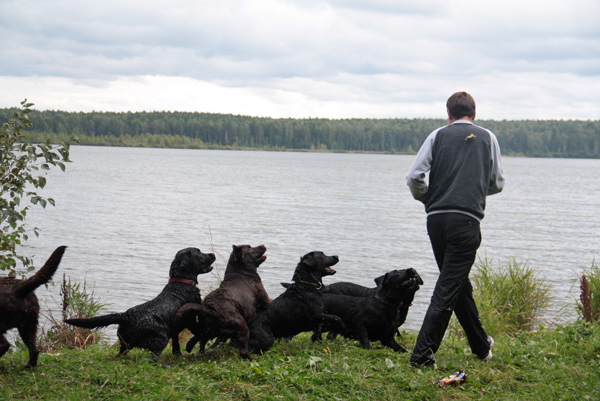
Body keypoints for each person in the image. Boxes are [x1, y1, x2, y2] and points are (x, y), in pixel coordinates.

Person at [406, 91, 505, 367]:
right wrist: (472, 190)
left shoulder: (437, 135)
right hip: (466, 222)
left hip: (436, 221)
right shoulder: (487, 137)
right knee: (448, 288)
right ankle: (422, 355)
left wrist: (427, 197)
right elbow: (497, 182)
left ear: (448, 114)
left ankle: (481, 347)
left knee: (457, 284)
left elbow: (414, 176)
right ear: (474, 114)